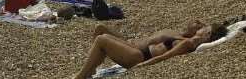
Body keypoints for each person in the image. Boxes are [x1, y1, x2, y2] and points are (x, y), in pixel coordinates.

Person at [73, 22, 228, 79]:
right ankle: (90, 69)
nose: (200, 27)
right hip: (136, 49)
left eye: (204, 28)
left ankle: (80, 76)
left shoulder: (188, 43)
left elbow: (167, 56)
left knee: (102, 39)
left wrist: (142, 66)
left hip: (140, 57)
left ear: (207, 35)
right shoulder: (187, 38)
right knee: (101, 30)